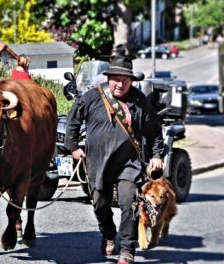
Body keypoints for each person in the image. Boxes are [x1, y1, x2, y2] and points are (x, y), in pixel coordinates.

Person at [65, 56, 164, 264]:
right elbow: (73, 120)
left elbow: (154, 131)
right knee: (100, 204)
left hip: (129, 164)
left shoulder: (140, 101)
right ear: (108, 79)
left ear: (131, 81)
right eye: (115, 79)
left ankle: (127, 248)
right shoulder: (93, 97)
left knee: (130, 204)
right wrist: (73, 147)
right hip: (98, 162)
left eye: (125, 80)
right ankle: (109, 234)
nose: (120, 84)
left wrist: (156, 155)